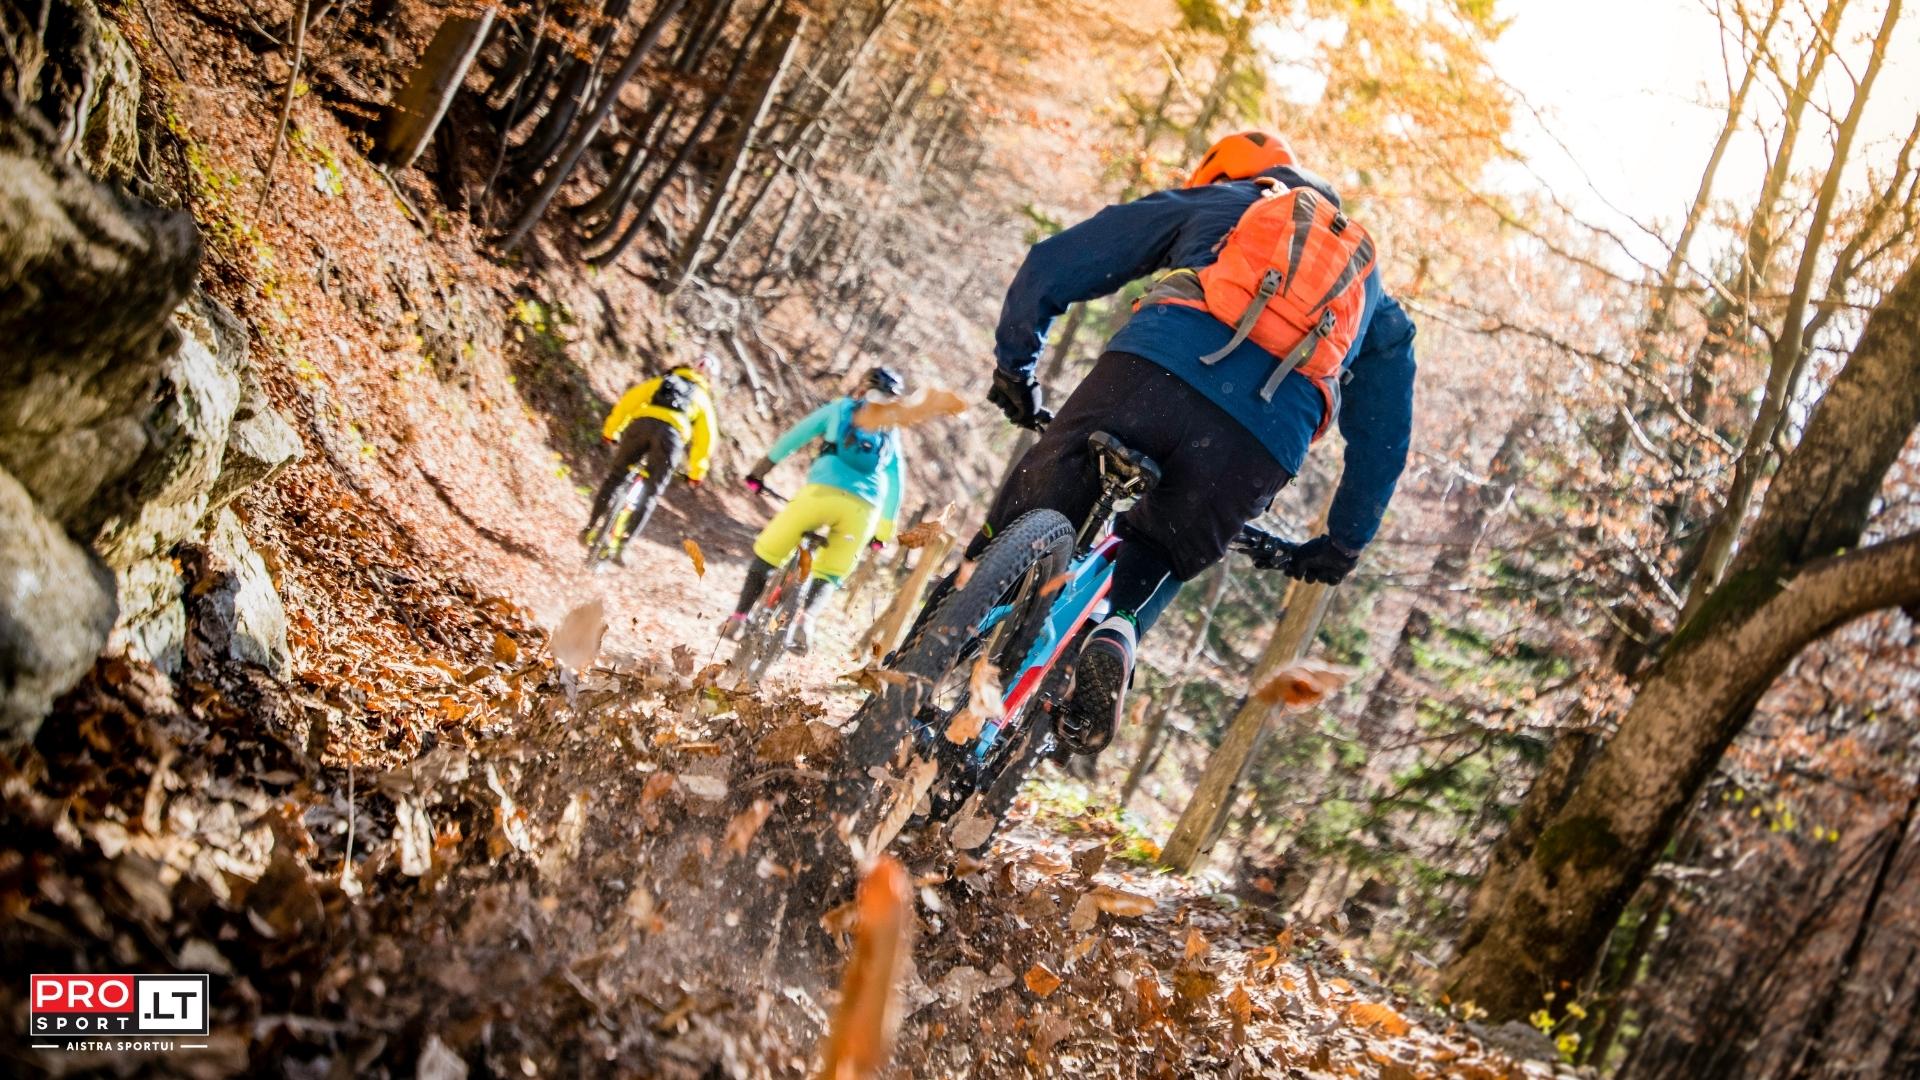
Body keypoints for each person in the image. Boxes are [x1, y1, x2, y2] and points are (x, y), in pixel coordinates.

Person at [981, 130, 1418, 753]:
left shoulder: (1225, 203)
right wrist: (1343, 543)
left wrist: (1016, 367)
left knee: (1041, 495)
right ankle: (1118, 629)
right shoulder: (1373, 299)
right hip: (1259, 440)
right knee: (1163, 548)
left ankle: (950, 626)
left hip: (1149, 377)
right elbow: (1383, 440)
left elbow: (1057, 261)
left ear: (1224, 176)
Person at [723, 367, 909, 654]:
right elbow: (895, 484)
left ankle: (739, 617)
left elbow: (794, 436)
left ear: (861, 387)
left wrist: (759, 472)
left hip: (820, 495)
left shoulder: (842, 409)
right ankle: (805, 619)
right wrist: (882, 533)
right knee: (831, 573)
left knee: (769, 552)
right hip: (864, 510)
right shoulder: (890, 434)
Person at [583, 353, 720, 555]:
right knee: (651, 493)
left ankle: (591, 527)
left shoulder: (662, 381)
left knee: (616, 477)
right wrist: (696, 473)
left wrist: (611, 432)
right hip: (670, 438)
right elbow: (705, 440)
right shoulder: (702, 399)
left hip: (641, 426)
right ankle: (623, 546)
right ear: (710, 379)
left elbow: (628, 402)